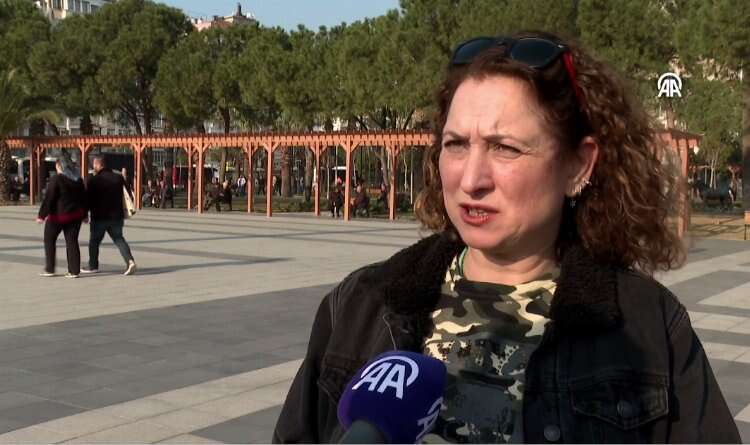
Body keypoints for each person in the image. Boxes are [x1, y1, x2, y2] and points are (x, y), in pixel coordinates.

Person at [273, 31, 740, 443]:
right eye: (456, 144)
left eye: (505, 148)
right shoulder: (360, 304)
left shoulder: (645, 325)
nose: (471, 179)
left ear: (578, 166)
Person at [81, 155, 137, 276]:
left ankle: (93, 265)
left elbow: (88, 199)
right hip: (117, 216)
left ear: (98, 165)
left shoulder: (94, 180)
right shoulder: (118, 178)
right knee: (119, 239)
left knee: (94, 241)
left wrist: (85, 214)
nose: (93, 166)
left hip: (99, 217)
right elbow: (127, 193)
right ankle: (130, 261)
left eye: (94, 164)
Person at [36, 158, 86, 278]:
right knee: (72, 241)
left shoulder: (57, 179)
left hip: (58, 216)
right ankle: (74, 271)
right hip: (75, 216)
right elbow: (84, 198)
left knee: (49, 239)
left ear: (59, 166)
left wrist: (42, 215)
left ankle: (50, 268)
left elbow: (49, 197)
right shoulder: (78, 180)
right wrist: (85, 215)